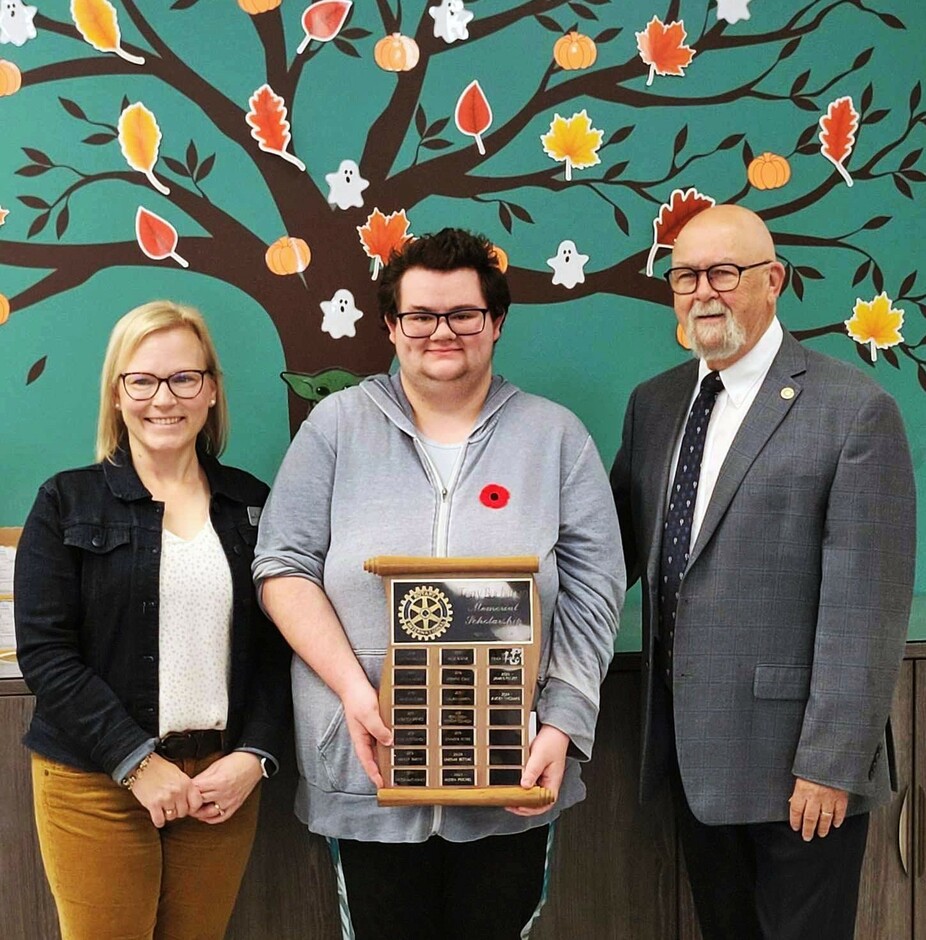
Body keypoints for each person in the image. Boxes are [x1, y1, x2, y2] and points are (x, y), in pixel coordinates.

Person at [253, 228, 624, 939]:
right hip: (369, 763)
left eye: (463, 314)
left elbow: (593, 590)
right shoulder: (334, 427)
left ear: (496, 323)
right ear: (392, 326)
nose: (441, 332)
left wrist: (565, 723)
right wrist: (357, 695)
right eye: (421, 316)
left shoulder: (556, 437)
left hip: (515, 762)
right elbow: (281, 567)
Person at [610, 204, 916, 939]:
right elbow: (609, 554)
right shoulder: (654, 405)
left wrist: (831, 763)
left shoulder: (854, 411)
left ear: (773, 279)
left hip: (800, 773)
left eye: (724, 272)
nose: (703, 292)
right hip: (691, 758)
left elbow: (866, 609)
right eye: (685, 275)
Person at [15, 301, 291, 940]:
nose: (163, 399)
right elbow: (46, 654)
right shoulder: (65, 501)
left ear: (211, 389)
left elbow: (280, 651)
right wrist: (136, 762)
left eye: (184, 379)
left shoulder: (252, 503)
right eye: (142, 380)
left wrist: (255, 755)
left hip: (221, 783)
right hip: (95, 781)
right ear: (116, 394)